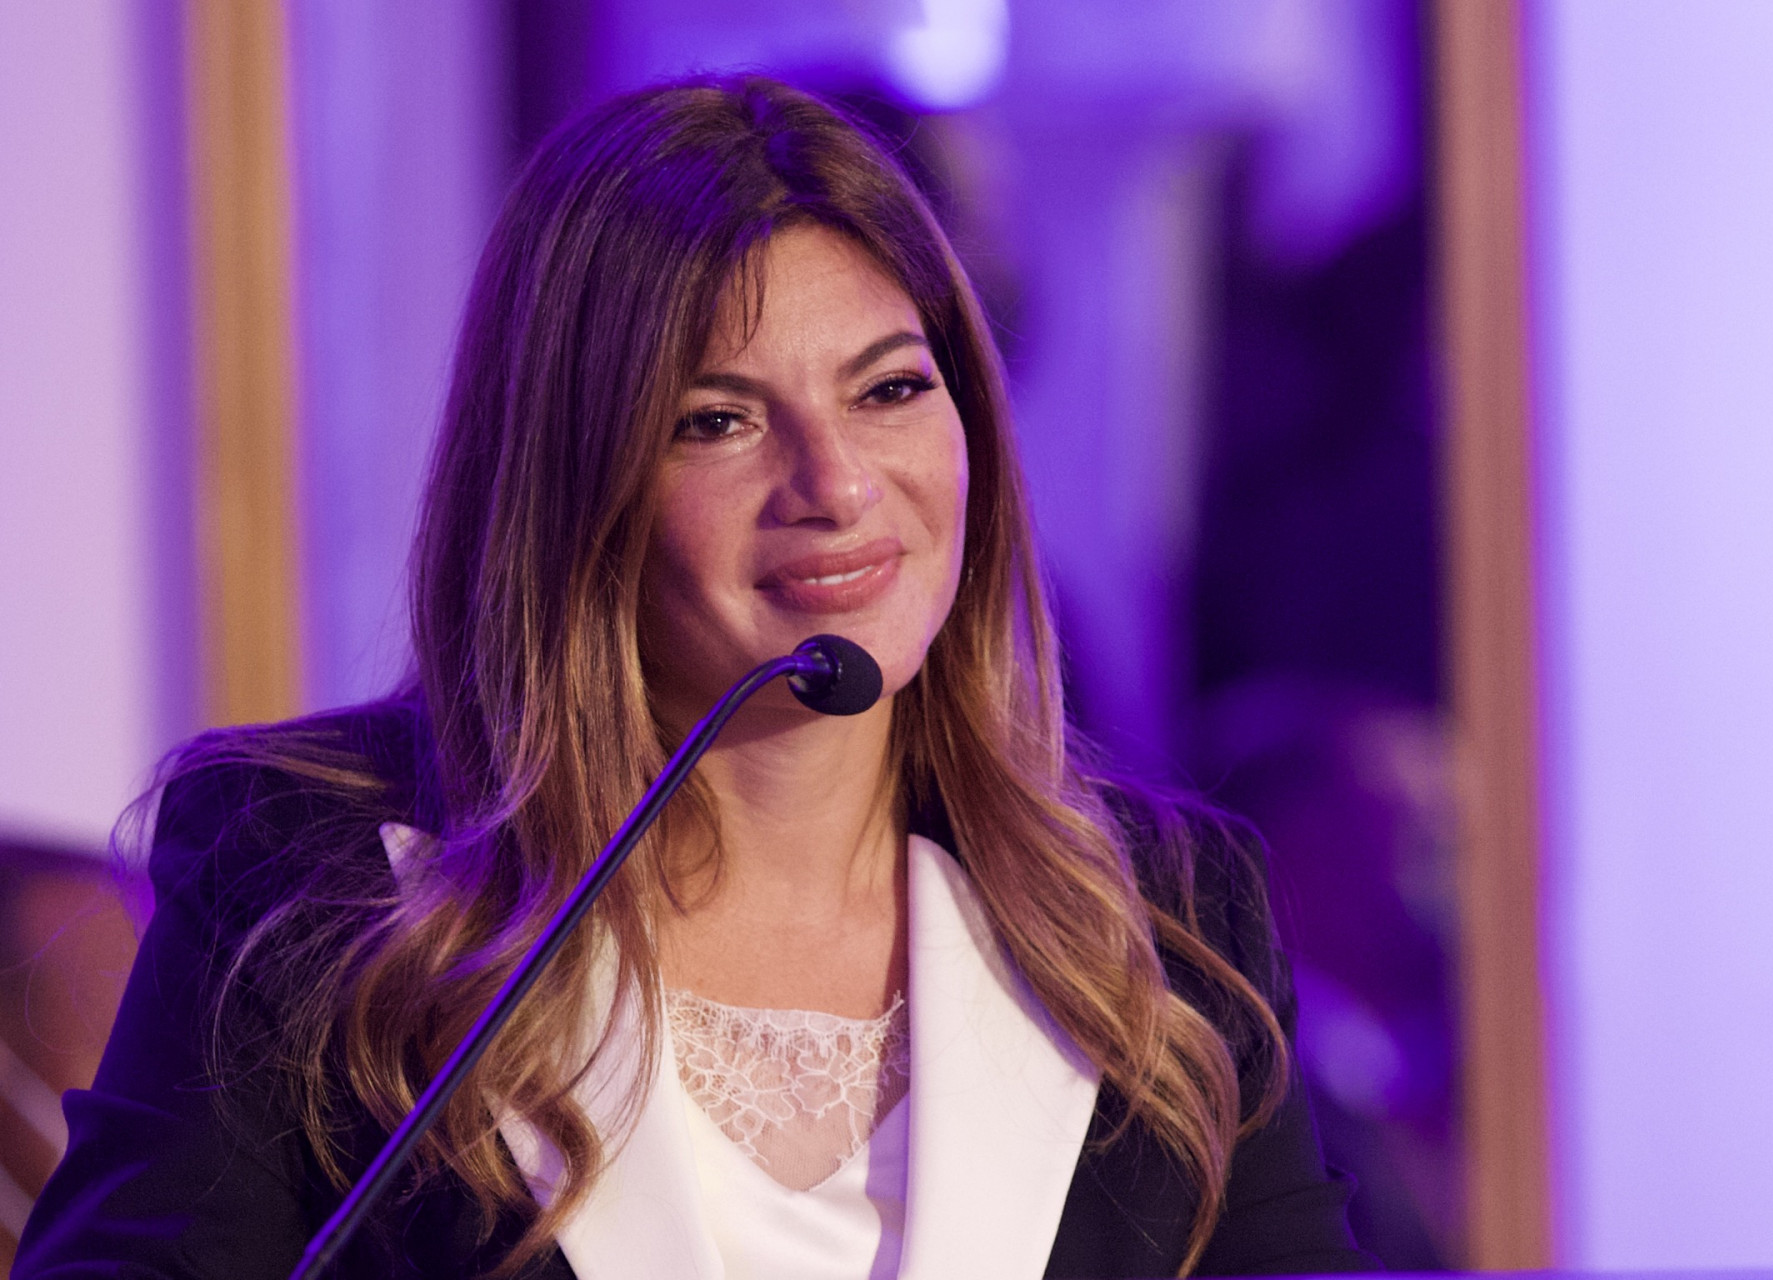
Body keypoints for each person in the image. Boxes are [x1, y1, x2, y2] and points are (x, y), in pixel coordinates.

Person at [15, 78, 1373, 1280]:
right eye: (717, 421)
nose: (836, 486)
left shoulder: (1165, 917)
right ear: (571, 485)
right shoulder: (308, 879)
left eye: (890, 391)